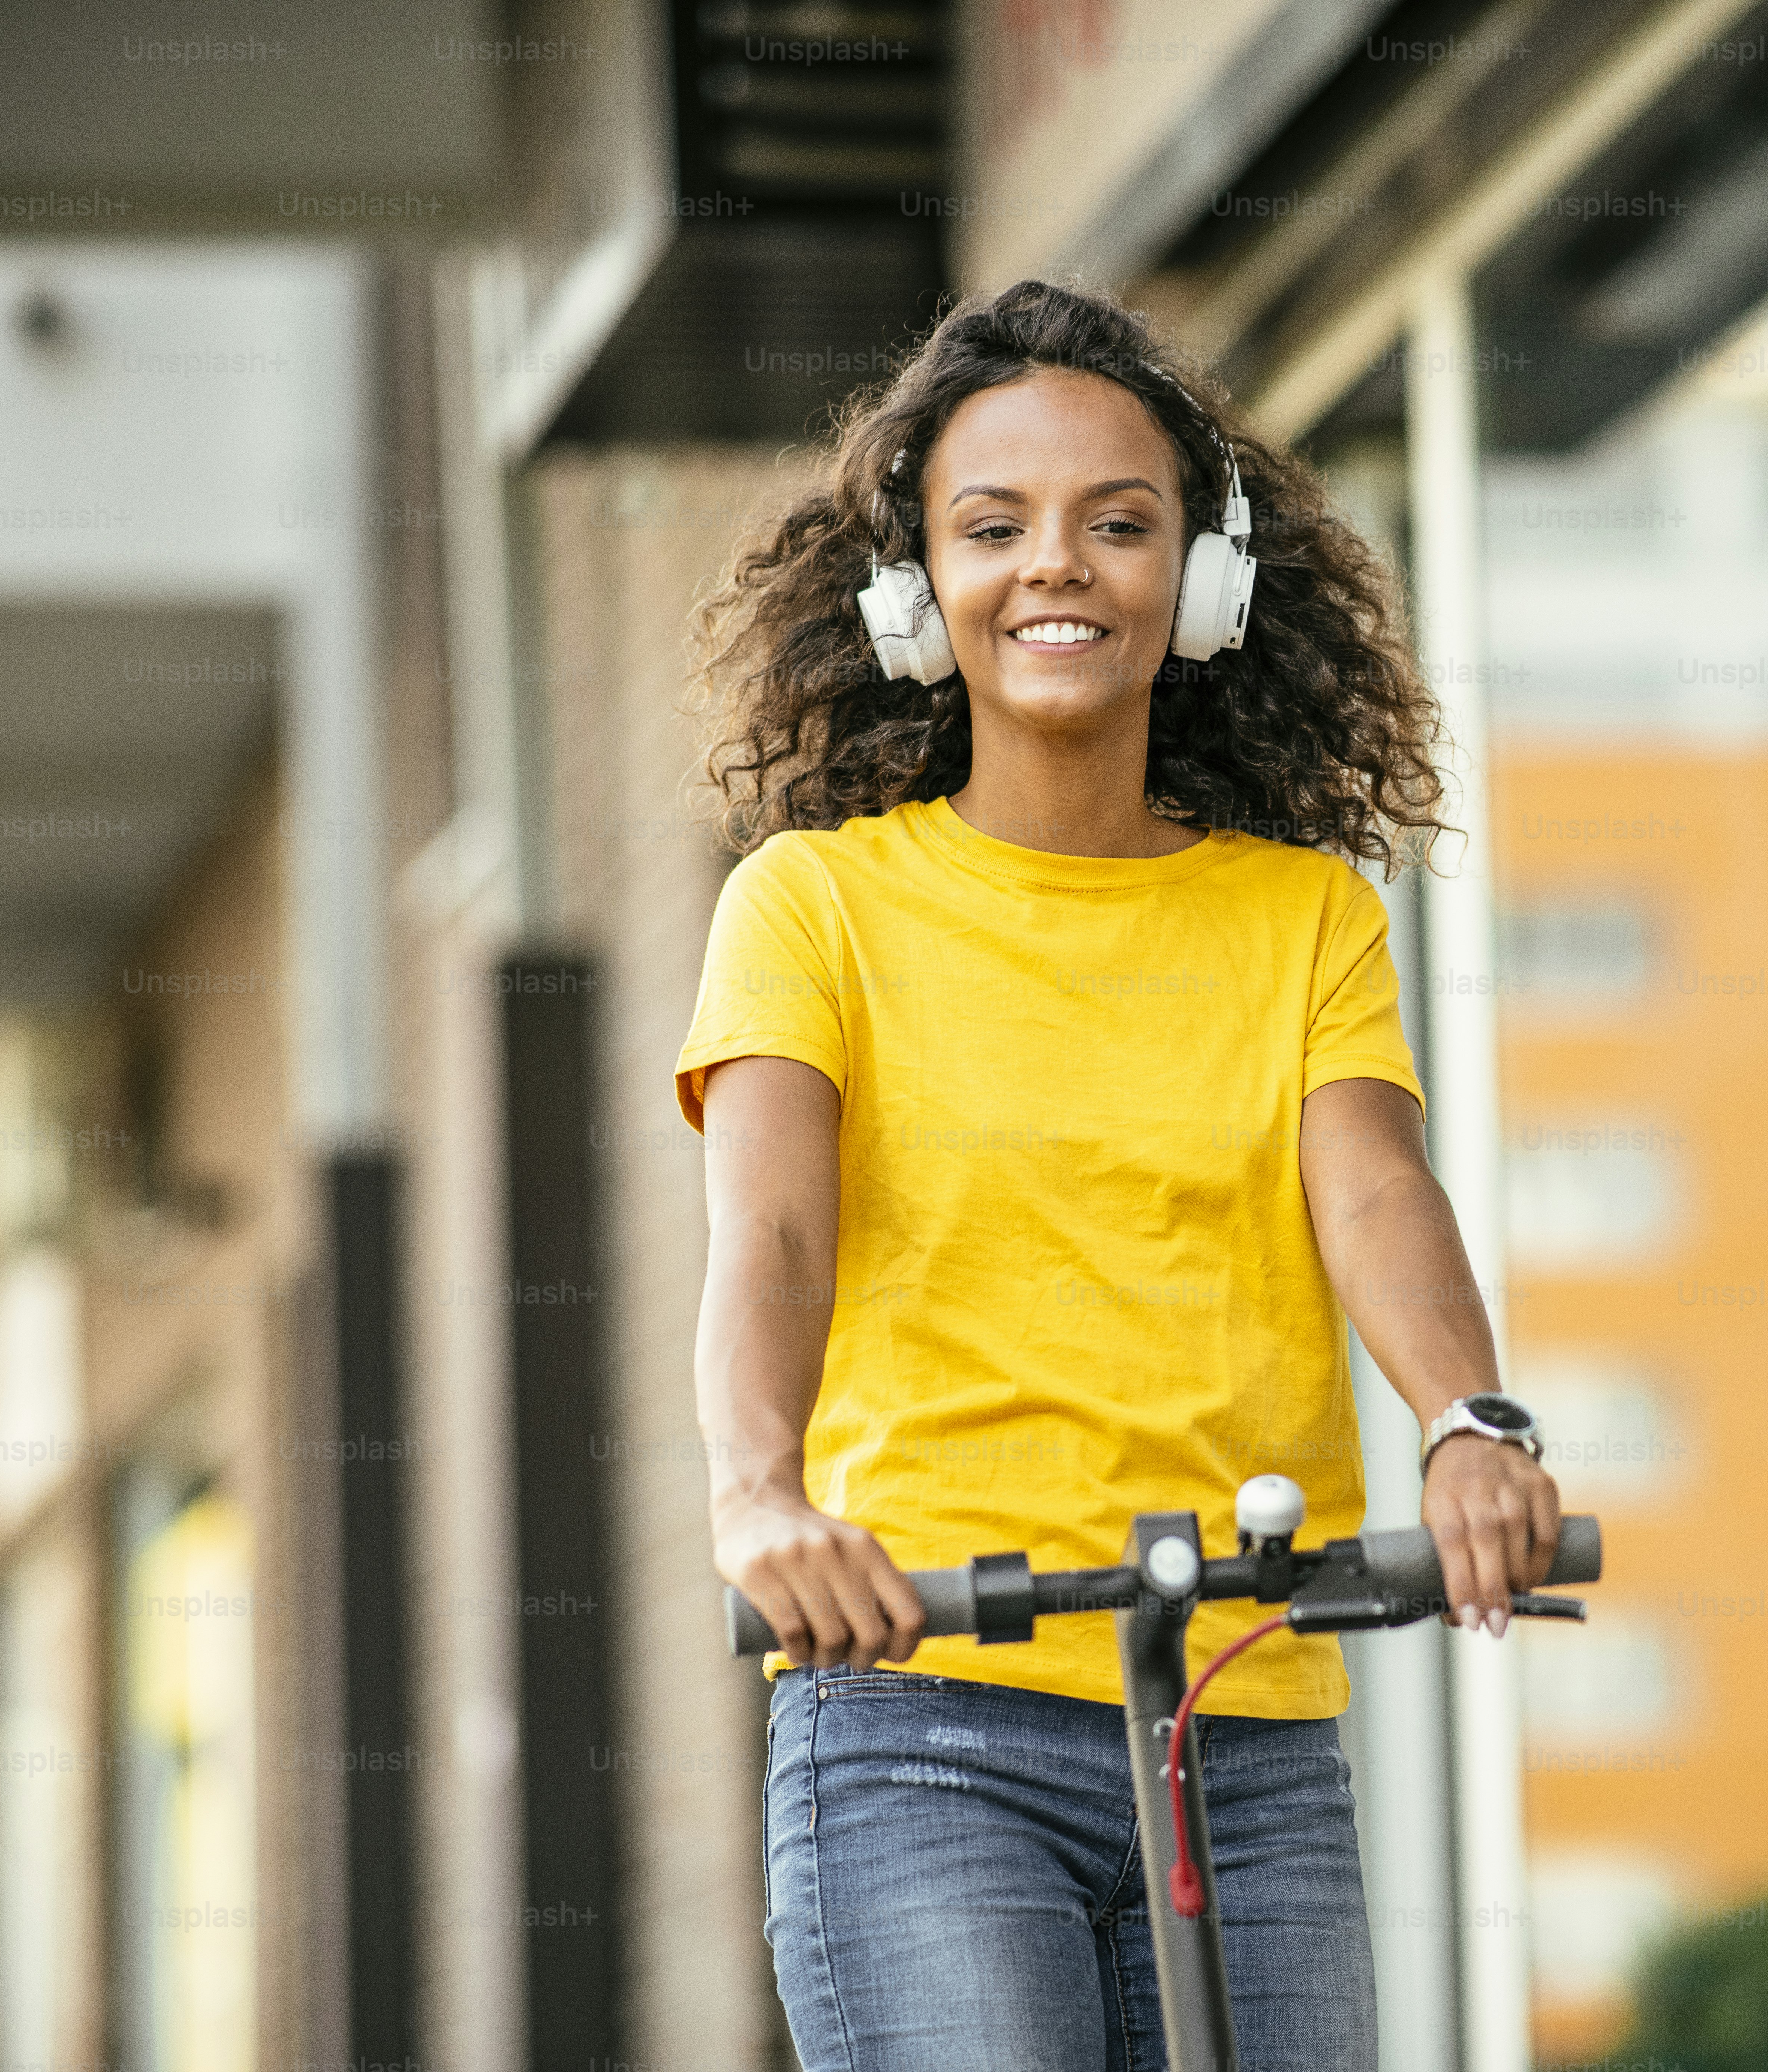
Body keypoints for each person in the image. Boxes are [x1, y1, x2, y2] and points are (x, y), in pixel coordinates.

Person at [675, 278, 1562, 2072]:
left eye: (1119, 522)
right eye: (993, 527)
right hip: (924, 1718)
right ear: (918, 593)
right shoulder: (815, 904)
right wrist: (762, 1496)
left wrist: (1474, 1421)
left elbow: (1377, 1192)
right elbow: (769, 1229)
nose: (1056, 567)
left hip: (1244, 1721)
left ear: (1205, 579)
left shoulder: (1306, 912)